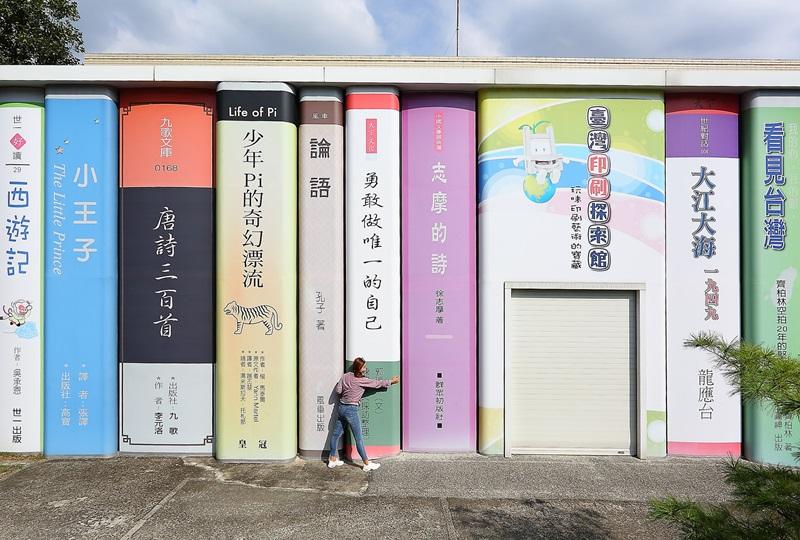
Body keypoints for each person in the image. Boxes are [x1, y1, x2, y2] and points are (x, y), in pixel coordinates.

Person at [328, 357, 399, 472]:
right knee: (359, 439)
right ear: (359, 369)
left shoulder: (345, 376)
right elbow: (377, 384)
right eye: (364, 367)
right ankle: (366, 464)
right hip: (352, 410)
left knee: (335, 435)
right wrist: (391, 381)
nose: (365, 368)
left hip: (341, 408)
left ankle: (332, 459)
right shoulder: (362, 380)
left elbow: (338, 391)